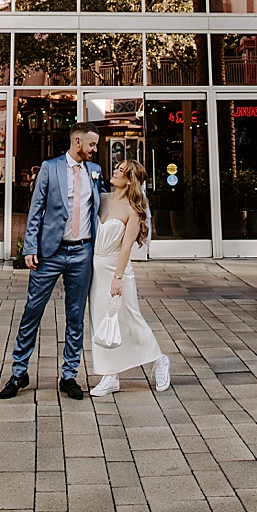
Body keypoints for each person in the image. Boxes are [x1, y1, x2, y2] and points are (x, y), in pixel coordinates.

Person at [0, 122, 105, 401]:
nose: (95, 149)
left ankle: (69, 375)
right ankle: (19, 372)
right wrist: (30, 247)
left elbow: (100, 208)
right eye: (92, 144)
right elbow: (35, 210)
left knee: (75, 315)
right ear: (78, 141)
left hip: (82, 253)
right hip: (51, 253)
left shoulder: (95, 172)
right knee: (32, 310)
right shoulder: (50, 167)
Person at [89, 159, 170, 397]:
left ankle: (159, 359)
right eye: (116, 168)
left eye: (120, 171)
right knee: (100, 320)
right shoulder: (101, 199)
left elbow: (126, 248)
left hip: (117, 269)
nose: (114, 172)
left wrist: (118, 277)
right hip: (95, 268)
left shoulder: (134, 209)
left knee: (130, 319)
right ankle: (109, 375)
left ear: (130, 180)